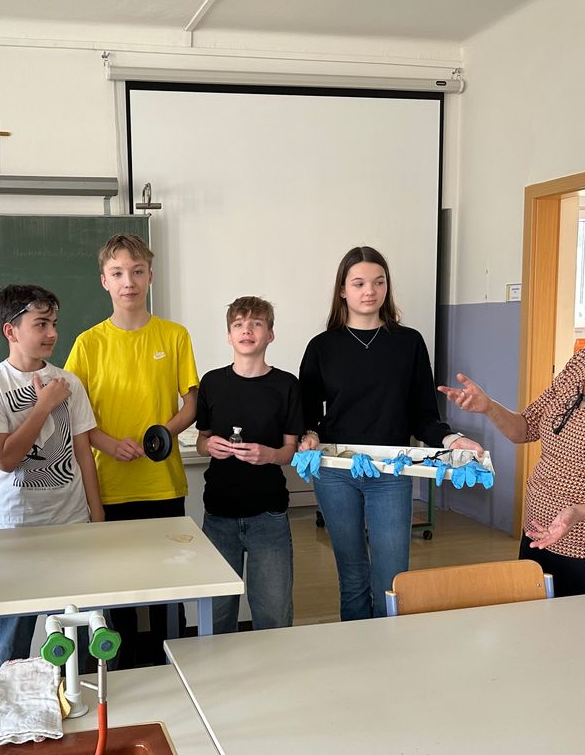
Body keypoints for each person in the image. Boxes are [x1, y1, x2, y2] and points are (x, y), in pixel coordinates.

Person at [299, 245, 482, 620]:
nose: (370, 291)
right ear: (343, 290)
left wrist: (451, 440)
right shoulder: (322, 347)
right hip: (336, 472)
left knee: (392, 578)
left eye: (379, 282)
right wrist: (309, 435)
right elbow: (306, 414)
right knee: (352, 574)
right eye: (359, 283)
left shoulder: (408, 342)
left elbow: (423, 414)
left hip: (391, 472)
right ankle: (358, 645)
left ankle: (389, 647)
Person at [65, 233, 198, 667]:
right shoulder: (88, 343)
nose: (129, 282)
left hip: (163, 485)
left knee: (169, 591)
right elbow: (73, 412)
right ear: (104, 280)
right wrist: (106, 443)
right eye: (118, 273)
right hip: (108, 489)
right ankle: (119, 677)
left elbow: (191, 404)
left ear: (150, 276)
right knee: (116, 594)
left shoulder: (174, 336)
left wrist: (160, 434)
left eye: (137, 272)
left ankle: (172, 671)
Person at [0, 284, 103, 685]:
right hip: (17, 531)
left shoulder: (68, 382)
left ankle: (84, 701)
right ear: (10, 330)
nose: (52, 333)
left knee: (83, 634)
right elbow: (4, 459)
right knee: (10, 635)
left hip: (72, 524)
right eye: (41, 324)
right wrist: (43, 406)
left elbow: (83, 454)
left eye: (54, 323)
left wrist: (97, 518)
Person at [196, 296, 303, 633]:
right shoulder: (212, 383)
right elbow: (201, 440)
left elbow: (290, 450)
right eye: (239, 324)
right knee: (216, 617)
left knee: (273, 615)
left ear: (270, 334)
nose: (247, 330)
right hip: (219, 515)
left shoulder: (286, 385)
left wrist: (269, 455)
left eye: (256, 324)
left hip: (268, 516)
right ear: (229, 336)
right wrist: (208, 446)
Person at [439, 361, 585, 595]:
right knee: (532, 613)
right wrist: (488, 407)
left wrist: (577, 512)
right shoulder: (577, 366)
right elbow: (525, 428)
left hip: (579, 545)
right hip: (537, 530)